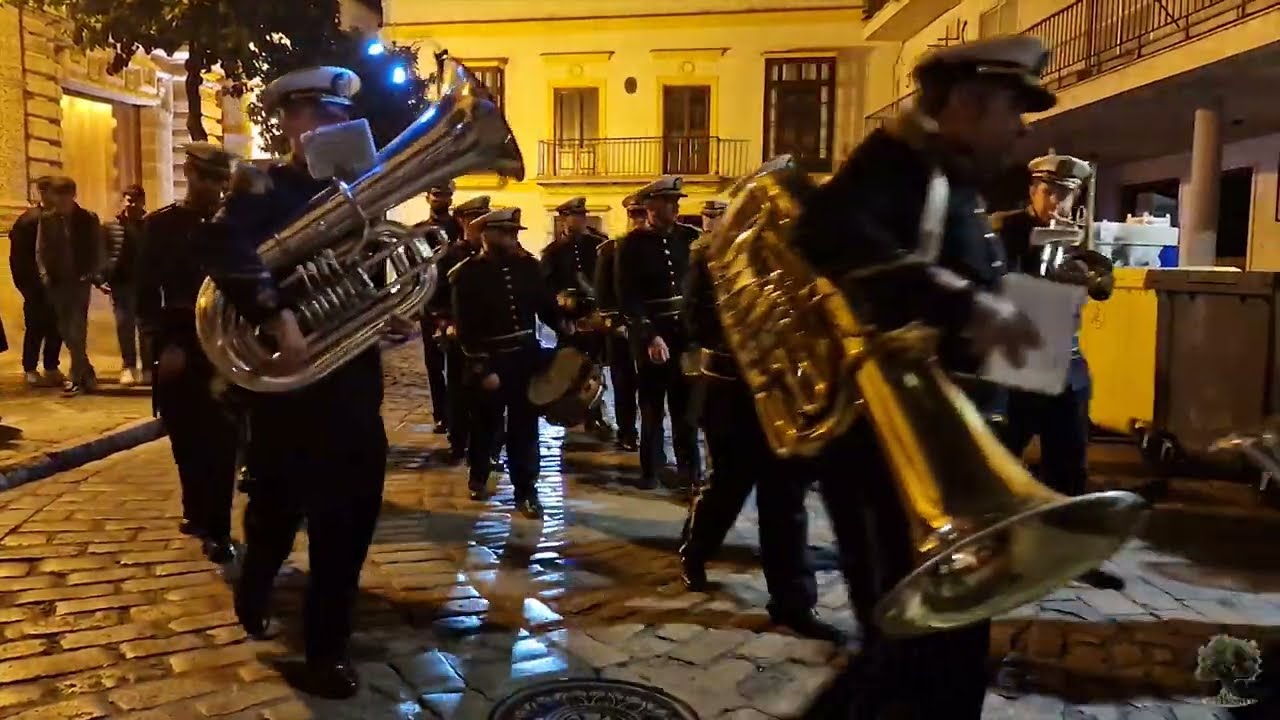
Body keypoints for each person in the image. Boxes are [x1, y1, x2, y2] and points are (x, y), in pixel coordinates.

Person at [792, 35, 1050, 719]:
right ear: (966, 104)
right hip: (896, 463)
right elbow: (827, 230)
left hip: (947, 458)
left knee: (938, 656)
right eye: (1012, 110)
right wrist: (966, 303)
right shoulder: (900, 162)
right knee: (909, 651)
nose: (1022, 128)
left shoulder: (955, 185)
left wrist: (1021, 326)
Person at [198, 65, 389, 699]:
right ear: (292, 121)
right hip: (287, 383)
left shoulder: (358, 194)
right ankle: (255, 583)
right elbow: (224, 247)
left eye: (342, 118)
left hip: (351, 384)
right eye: (323, 117)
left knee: (351, 517)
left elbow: (374, 269)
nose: (337, 127)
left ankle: (325, 648)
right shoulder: (262, 186)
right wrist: (275, 311)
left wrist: (385, 315)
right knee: (277, 510)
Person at [681, 201, 842, 642]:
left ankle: (793, 603)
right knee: (728, 485)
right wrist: (754, 335)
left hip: (785, 390)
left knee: (785, 497)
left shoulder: (800, 257)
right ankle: (695, 552)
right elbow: (694, 321)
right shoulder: (710, 254)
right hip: (731, 388)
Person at [991, 153, 1122, 591]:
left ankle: (1071, 556)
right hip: (1020, 364)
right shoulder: (1006, 229)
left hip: (1068, 362)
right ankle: (998, 553)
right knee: (1002, 466)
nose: (1057, 202)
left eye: (1066, 194)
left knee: (1069, 468)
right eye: (1049, 191)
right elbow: (993, 287)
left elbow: (1098, 283)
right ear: (1032, 190)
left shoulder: (1073, 233)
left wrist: (1082, 275)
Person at [137, 145, 238, 564]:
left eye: (220, 180)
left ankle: (218, 528)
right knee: (185, 436)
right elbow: (144, 293)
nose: (213, 189)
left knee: (222, 440)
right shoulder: (160, 226)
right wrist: (165, 346)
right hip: (180, 341)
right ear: (188, 174)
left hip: (225, 346)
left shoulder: (236, 226)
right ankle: (195, 510)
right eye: (205, 178)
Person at [451, 207, 560, 517]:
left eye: (514, 233)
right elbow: (466, 331)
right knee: (485, 425)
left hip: (526, 359)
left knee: (525, 429)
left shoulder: (528, 268)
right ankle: (479, 472)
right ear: (486, 235)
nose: (513, 239)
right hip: (492, 362)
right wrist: (482, 368)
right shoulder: (467, 275)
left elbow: (546, 308)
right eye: (506, 233)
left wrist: (567, 329)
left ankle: (526, 491)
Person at [615, 176, 702, 491]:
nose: (674, 208)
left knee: (686, 407)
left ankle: (690, 471)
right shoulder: (630, 246)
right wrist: (650, 335)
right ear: (650, 206)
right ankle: (650, 469)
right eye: (668, 202)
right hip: (654, 334)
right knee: (652, 407)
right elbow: (629, 297)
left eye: (675, 202)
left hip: (685, 333)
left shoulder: (689, 238)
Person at [542, 196, 612, 439]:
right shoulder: (553, 253)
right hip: (570, 320)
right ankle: (571, 413)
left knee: (597, 369)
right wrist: (560, 318)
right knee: (570, 369)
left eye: (582, 216)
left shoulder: (599, 246)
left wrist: (604, 314)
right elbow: (546, 291)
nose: (580, 220)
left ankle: (596, 415)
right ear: (563, 219)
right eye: (574, 216)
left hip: (595, 316)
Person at [430, 194, 492, 462]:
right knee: (457, 389)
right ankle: (458, 442)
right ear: (462, 222)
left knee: (489, 395)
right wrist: (446, 322)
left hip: (489, 334)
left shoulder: (494, 256)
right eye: (475, 220)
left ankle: (489, 447)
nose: (480, 226)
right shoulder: (448, 256)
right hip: (459, 335)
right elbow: (434, 295)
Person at [38, 176, 103, 395]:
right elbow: (41, 250)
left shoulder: (87, 218)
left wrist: (94, 272)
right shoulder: (47, 220)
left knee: (78, 329)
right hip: (57, 282)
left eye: (65, 195)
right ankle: (88, 371)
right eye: (58, 196)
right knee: (64, 329)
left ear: (73, 195)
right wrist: (44, 273)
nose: (61, 201)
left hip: (79, 280)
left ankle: (76, 377)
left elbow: (97, 246)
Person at [593, 194, 645, 452]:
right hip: (622, 329)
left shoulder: (657, 246)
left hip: (649, 328)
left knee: (650, 388)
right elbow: (603, 294)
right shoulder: (611, 250)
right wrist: (616, 323)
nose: (638, 221)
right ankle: (627, 432)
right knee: (624, 384)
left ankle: (649, 434)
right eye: (634, 216)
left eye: (642, 215)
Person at [8, 177, 64, 387]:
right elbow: (19, 258)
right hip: (35, 286)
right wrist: (27, 286)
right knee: (35, 326)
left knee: (57, 327)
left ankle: (51, 365)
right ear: (42, 192)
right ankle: (30, 367)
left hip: (58, 284)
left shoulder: (60, 218)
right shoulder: (28, 221)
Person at [416, 182, 462, 434]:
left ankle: (455, 413)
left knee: (456, 365)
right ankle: (440, 415)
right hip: (430, 304)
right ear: (427, 197)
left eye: (445, 195)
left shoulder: (460, 228)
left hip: (455, 304)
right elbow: (414, 272)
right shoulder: (418, 231)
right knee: (434, 365)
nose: (440, 199)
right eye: (436, 195)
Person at [104, 184, 152, 386]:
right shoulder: (112, 226)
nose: (130, 204)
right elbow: (103, 253)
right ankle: (129, 366)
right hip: (122, 283)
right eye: (127, 200)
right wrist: (101, 279)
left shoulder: (151, 224)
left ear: (142, 202)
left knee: (146, 328)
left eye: (134, 200)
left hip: (146, 283)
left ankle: (148, 368)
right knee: (125, 326)